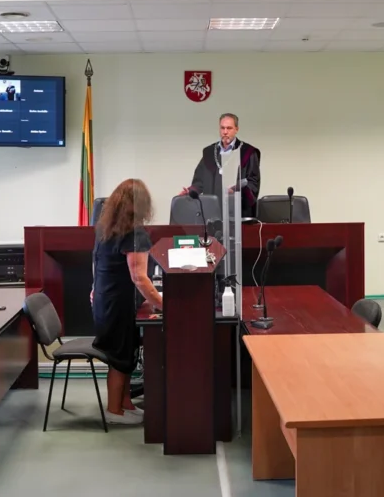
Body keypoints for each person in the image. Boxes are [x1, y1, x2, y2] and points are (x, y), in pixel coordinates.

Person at [90, 179, 163, 424]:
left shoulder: (105, 229)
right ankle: (114, 411)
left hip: (106, 301)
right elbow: (139, 277)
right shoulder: (135, 234)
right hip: (119, 305)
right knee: (120, 360)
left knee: (125, 355)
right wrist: (163, 304)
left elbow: (97, 264)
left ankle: (126, 404)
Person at [180, 113, 262, 218]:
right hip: (212, 211)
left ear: (236, 129)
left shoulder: (247, 153)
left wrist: (236, 190)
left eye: (229, 128)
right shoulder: (209, 152)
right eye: (222, 128)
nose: (225, 132)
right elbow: (199, 180)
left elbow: (253, 183)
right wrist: (191, 191)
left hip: (238, 212)